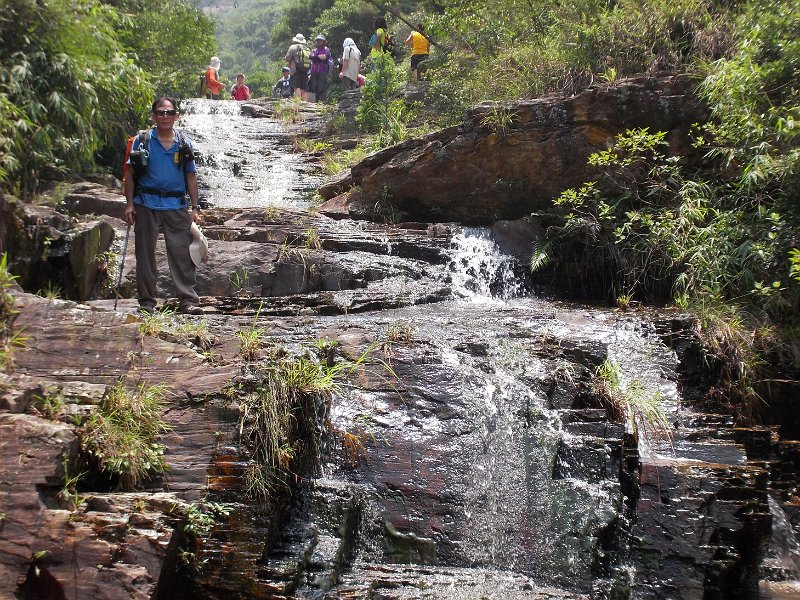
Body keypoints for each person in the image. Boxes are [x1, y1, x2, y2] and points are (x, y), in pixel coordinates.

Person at [123, 97, 203, 315]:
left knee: (181, 253)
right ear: (153, 116)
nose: (165, 116)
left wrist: (195, 208)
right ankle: (147, 303)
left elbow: (191, 176)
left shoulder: (184, 143)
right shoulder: (143, 140)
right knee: (145, 255)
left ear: (176, 116)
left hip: (175, 204)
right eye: (160, 113)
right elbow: (130, 174)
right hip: (146, 203)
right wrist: (129, 205)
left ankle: (187, 300)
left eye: (169, 113)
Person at [285, 33, 310, 100]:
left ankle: (298, 103)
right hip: (305, 70)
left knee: (297, 87)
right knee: (304, 89)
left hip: (295, 70)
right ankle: (305, 103)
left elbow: (288, 58)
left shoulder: (293, 47)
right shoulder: (306, 48)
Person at [309, 34, 332, 102]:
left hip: (323, 70)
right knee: (314, 86)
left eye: (320, 41)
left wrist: (316, 57)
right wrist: (318, 57)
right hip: (314, 70)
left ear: (324, 42)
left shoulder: (326, 50)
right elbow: (311, 57)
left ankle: (322, 101)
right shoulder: (314, 50)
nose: (319, 42)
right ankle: (316, 100)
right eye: (318, 41)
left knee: (321, 86)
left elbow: (325, 57)